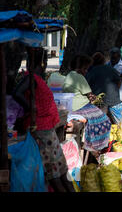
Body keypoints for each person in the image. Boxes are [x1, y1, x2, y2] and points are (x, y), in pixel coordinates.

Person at [13, 48, 74, 192]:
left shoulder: (36, 79)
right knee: (54, 174)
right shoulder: (31, 78)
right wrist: (31, 108)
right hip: (41, 131)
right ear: (43, 63)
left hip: (47, 130)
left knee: (61, 171)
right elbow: (17, 93)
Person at [63, 54, 111, 156]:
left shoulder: (69, 75)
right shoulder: (79, 77)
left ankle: (93, 145)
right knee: (105, 120)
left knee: (96, 119)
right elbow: (90, 95)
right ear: (79, 67)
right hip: (81, 106)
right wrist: (97, 99)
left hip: (72, 106)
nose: (86, 71)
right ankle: (96, 147)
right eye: (85, 68)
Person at [86, 52, 122, 127]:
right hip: (113, 99)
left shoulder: (91, 71)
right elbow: (119, 81)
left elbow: (86, 86)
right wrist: (115, 91)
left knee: (99, 123)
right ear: (103, 61)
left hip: (99, 101)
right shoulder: (110, 69)